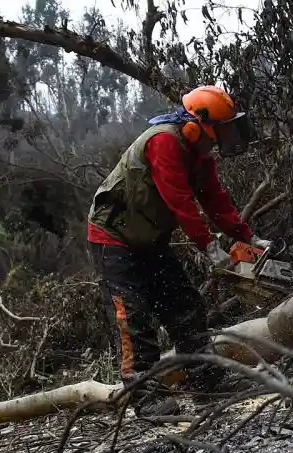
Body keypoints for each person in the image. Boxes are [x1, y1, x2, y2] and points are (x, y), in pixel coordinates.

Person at [86, 84, 271, 392]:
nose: (224, 139)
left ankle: (205, 380)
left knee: (185, 305)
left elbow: (215, 200)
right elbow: (180, 200)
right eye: (220, 131)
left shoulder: (200, 156)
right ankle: (144, 394)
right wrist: (209, 246)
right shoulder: (164, 143)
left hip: (149, 239)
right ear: (197, 124)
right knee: (133, 316)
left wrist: (248, 237)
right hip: (113, 237)